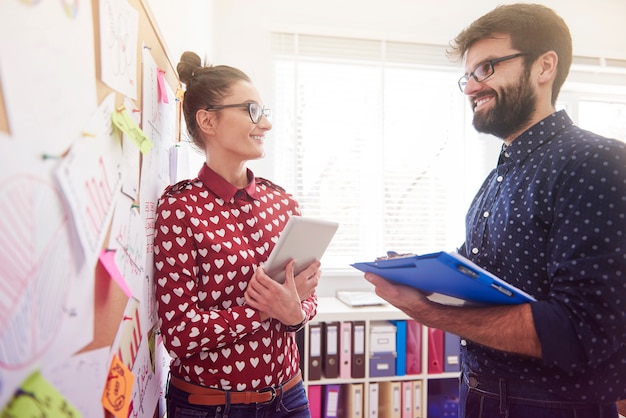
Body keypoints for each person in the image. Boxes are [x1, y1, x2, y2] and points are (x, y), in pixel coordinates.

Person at [364, 4, 626, 417]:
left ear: (544, 66)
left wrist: (427, 312)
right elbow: (484, 276)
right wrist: (420, 272)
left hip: (553, 405)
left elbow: (581, 329)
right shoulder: (499, 176)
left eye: (487, 68)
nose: (471, 87)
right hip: (481, 393)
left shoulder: (594, 161)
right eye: (467, 76)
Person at [154, 51, 321, 418]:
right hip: (212, 407)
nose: (266, 125)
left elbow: (307, 300)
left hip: (290, 396)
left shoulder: (284, 203)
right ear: (208, 121)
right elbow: (180, 334)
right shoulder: (179, 208)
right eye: (251, 111)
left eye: (264, 113)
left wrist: (294, 312)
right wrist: (260, 311)